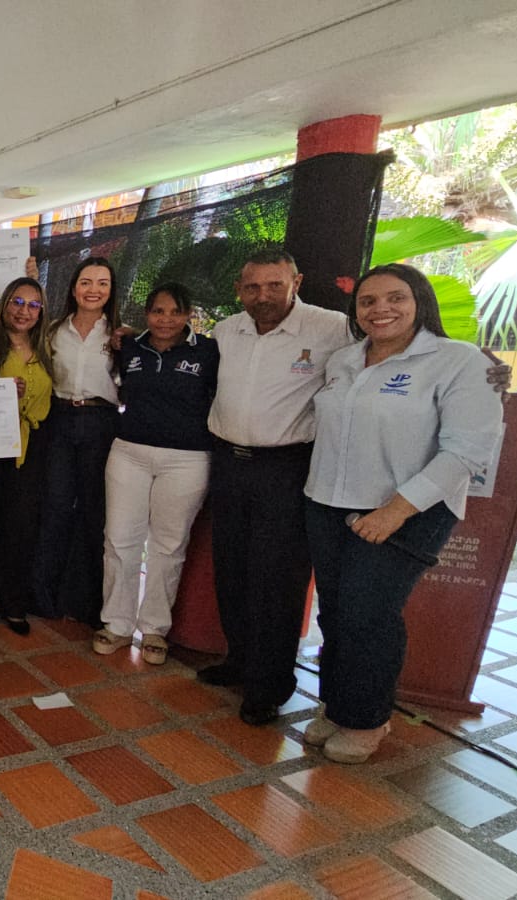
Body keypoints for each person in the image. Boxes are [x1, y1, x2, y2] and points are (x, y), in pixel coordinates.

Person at [302, 264, 501, 762]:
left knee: (369, 614)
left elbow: (468, 451)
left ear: (420, 303)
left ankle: (368, 720)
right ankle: (337, 703)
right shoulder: (345, 360)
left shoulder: (458, 361)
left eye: (395, 298)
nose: (380, 309)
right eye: (368, 301)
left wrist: (395, 510)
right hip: (329, 502)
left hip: (408, 509)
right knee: (336, 612)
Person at [201, 249, 357, 725]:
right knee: (231, 567)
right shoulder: (228, 330)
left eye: (273, 286)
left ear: (296, 281)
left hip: (286, 469)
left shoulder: (332, 329)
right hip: (228, 463)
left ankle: (269, 685)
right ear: (239, 291)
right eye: (252, 288)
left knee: (278, 578)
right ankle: (239, 661)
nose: (262, 296)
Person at [94, 283, 219, 665]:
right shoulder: (130, 346)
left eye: (175, 312)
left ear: (188, 315)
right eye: (158, 312)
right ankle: (116, 623)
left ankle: (154, 629)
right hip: (129, 452)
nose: (166, 320)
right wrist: (122, 338)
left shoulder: (209, 351)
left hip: (187, 459)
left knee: (168, 545)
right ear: (146, 314)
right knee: (119, 540)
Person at [33, 257, 121, 627]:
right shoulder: (53, 331)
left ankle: (86, 602)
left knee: (93, 510)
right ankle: (43, 597)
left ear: (111, 290)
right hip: (60, 418)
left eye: (102, 283)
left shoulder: (119, 335)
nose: (94, 290)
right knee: (53, 507)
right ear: (73, 288)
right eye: (86, 282)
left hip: (101, 422)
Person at [0, 277, 53, 635]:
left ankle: (12, 599)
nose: (24, 311)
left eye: (33, 305)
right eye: (18, 301)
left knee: (21, 526)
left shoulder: (48, 346)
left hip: (33, 446)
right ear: (5, 305)